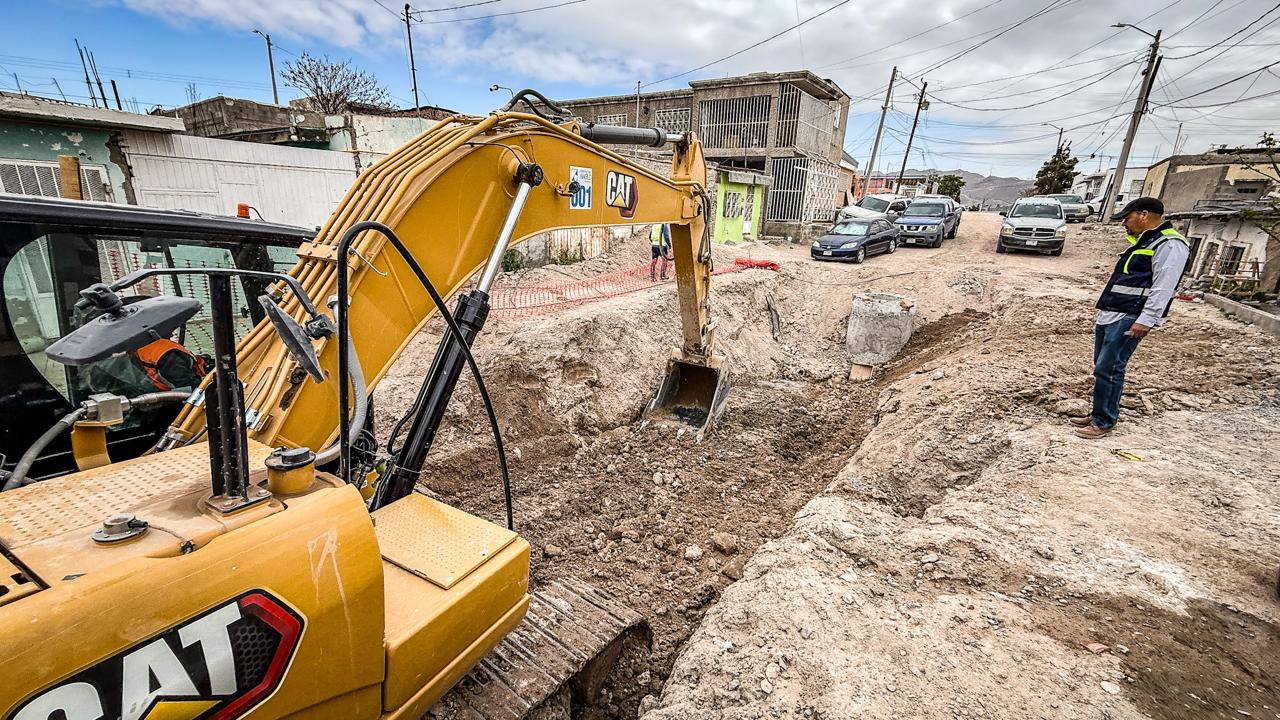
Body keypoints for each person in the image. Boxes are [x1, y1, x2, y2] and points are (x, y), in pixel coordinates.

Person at [1072, 197, 1189, 439]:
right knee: (1103, 367)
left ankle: (1104, 421)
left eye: (1127, 217)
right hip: (1113, 313)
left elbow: (1164, 286)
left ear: (1144, 215)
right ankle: (1097, 414)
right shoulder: (1145, 241)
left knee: (1110, 367)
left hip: (1130, 316)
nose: (1124, 222)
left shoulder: (1170, 245)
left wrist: (1147, 319)